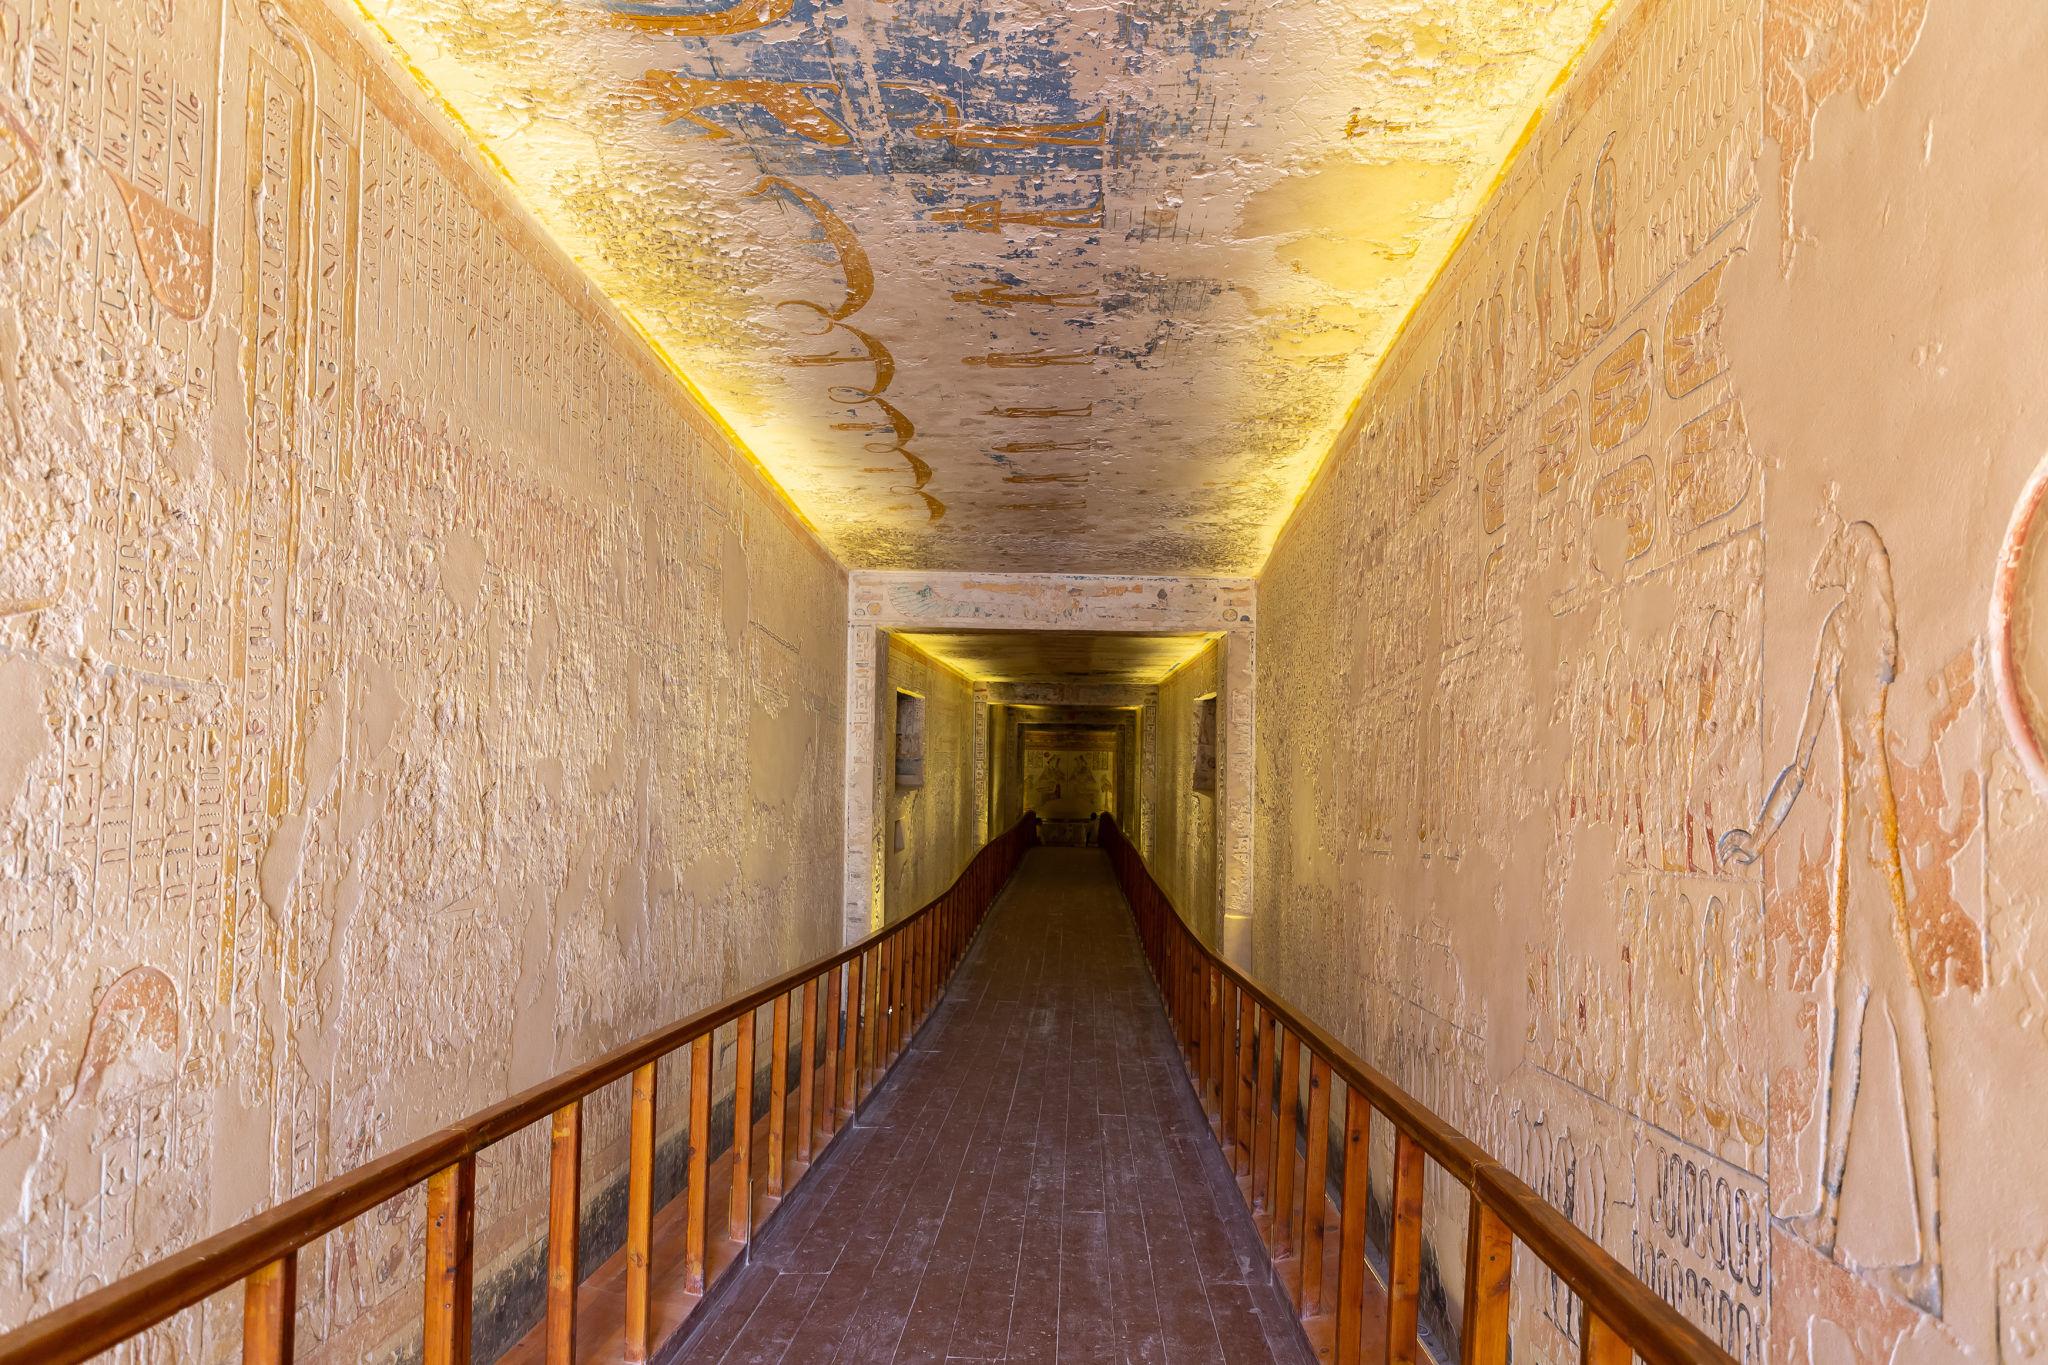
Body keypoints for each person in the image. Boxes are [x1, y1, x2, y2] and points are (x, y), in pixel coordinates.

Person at [1719, 518, 1941, 1315]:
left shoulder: (1848, 633)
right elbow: (1805, 760)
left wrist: (1761, 832)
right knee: (1871, 1018)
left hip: (1870, 847)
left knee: (1887, 1019)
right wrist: (1761, 832)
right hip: (1869, 839)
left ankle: (1893, 1238)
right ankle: (1843, 1216)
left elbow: (1805, 757)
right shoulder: (1862, 633)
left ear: (1853, 567)